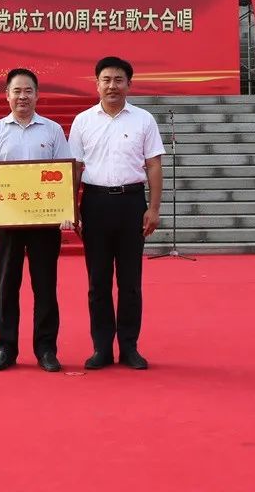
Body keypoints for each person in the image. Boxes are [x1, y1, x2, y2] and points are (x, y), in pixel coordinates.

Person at [0, 68, 72, 372]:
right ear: (7, 95)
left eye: (28, 91)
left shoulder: (52, 130)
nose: (22, 96)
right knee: (7, 286)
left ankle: (46, 349)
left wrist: (67, 211)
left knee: (45, 286)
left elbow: (65, 174)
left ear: (37, 95)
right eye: (17, 91)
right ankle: (6, 347)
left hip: (44, 222)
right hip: (7, 221)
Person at [68, 56, 165, 370]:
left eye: (118, 80)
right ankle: (101, 348)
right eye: (106, 80)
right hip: (94, 204)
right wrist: (72, 208)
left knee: (130, 281)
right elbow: (75, 168)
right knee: (98, 281)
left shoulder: (143, 120)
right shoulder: (83, 121)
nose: (112, 86)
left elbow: (153, 165)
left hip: (131, 204)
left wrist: (153, 208)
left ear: (129, 84)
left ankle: (129, 347)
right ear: (97, 84)